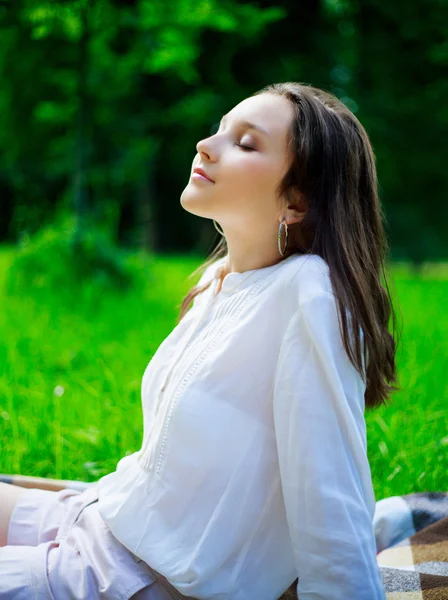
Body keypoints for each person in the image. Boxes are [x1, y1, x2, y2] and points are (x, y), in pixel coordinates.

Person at [0, 82, 398, 599]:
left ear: (298, 200)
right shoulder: (219, 282)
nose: (205, 145)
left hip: (131, 579)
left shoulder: (308, 296)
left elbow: (331, 495)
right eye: (219, 129)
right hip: (101, 519)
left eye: (246, 143)